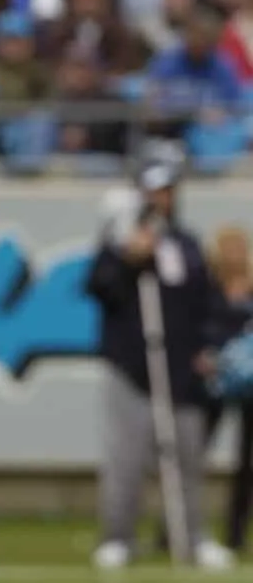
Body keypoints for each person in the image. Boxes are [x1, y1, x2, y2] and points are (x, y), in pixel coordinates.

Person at [86, 149, 233, 570]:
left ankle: (192, 536)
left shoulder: (186, 245)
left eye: (168, 191)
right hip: (132, 369)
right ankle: (118, 538)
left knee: (187, 458)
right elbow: (99, 289)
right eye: (154, 191)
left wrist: (208, 347)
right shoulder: (119, 244)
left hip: (181, 372)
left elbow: (208, 304)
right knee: (126, 461)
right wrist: (129, 262)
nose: (161, 199)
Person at [200, 226, 253, 552]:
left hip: (250, 384)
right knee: (196, 453)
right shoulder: (209, 290)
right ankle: (177, 527)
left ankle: (236, 534)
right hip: (216, 381)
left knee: (246, 463)